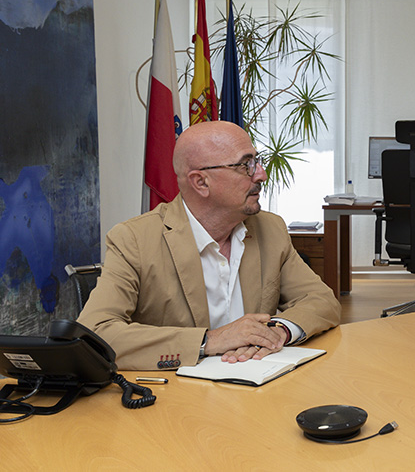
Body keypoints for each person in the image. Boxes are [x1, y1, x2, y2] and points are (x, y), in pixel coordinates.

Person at [78, 121, 340, 370]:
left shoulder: (270, 229)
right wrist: (210, 340)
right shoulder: (134, 240)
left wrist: (278, 331)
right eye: (245, 165)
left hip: (260, 387)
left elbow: (321, 300)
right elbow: (95, 332)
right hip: (175, 400)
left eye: (257, 161)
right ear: (201, 182)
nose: (261, 174)